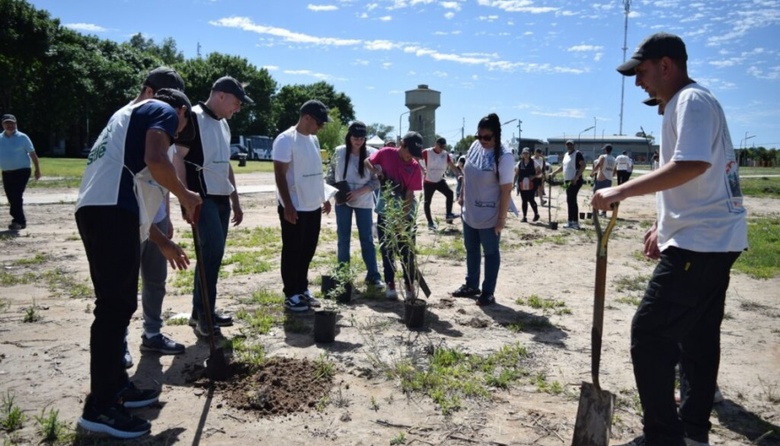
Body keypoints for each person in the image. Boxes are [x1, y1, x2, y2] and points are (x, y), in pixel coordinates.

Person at [595, 32, 748, 446]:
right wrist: (664, 225)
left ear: (666, 66)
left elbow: (693, 164)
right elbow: (701, 177)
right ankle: (694, 432)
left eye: (641, 72)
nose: (638, 82)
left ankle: (663, 436)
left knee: (649, 334)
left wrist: (621, 190)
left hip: (701, 243)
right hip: (715, 237)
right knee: (697, 336)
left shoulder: (690, 101)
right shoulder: (691, 102)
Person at [75, 87, 201, 438]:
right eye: (180, 129)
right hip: (111, 212)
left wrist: (163, 243)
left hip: (99, 210)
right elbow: (157, 160)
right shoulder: (161, 108)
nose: (176, 135)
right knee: (114, 309)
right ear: (181, 111)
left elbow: (138, 204)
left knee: (117, 305)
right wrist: (187, 195)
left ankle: (116, 388)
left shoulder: (125, 116)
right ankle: (99, 408)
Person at [118, 67, 193, 368]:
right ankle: (118, 340)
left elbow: (161, 173)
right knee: (122, 285)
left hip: (155, 214)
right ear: (149, 92)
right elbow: (149, 163)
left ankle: (152, 333)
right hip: (130, 214)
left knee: (155, 279)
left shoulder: (162, 123)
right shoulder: (128, 119)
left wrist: (169, 213)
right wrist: (186, 196)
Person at [176, 76, 250, 336]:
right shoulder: (193, 118)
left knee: (213, 257)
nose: (237, 109)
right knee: (211, 253)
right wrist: (184, 197)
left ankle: (202, 310)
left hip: (221, 199)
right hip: (201, 198)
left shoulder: (224, 125)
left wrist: (235, 199)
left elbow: (225, 164)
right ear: (220, 95)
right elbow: (178, 159)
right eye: (236, 102)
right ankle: (204, 316)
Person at [273, 99, 333, 312]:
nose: (321, 127)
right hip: (295, 206)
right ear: (307, 117)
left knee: (308, 249)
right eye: (319, 122)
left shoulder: (313, 141)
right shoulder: (285, 140)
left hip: (312, 205)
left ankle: (302, 289)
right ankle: (291, 294)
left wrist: (324, 197)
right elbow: (280, 174)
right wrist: (288, 205)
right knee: (292, 250)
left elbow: (316, 173)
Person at [451, 113, 514, 306]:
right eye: (479, 136)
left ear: (497, 135)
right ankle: (471, 284)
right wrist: (462, 195)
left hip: (490, 214)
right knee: (471, 249)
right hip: (469, 210)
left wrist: (501, 219)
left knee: (491, 252)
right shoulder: (474, 147)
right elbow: (466, 174)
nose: (482, 141)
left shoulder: (505, 156)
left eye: (487, 137)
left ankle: (488, 292)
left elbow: (506, 189)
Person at [364, 132, 424, 300]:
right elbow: (367, 161)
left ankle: (408, 283)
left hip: (406, 216)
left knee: (407, 251)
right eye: (409, 152)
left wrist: (402, 219)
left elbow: (410, 195)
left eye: (414, 154)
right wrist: (376, 171)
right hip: (385, 212)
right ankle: (390, 282)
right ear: (402, 144)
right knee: (387, 249)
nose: (410, 156)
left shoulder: (413, 167)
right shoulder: (386, 153)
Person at [325, 121, 383, 290]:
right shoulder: (339, 152)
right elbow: (330, 176)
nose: (358, 141)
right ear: (349, 136)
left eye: (361, 138)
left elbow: (377, 181)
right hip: (342, 201)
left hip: (363, 201)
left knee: (366, 238)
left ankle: (373, 275)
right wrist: (328, 197)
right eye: (355, 137)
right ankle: (343, 274)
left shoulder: (373, 154)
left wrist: (359, 192)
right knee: (343, 238)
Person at [0, 114, 41, 230]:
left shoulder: (23, 137)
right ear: (3, 124)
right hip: (7, 172)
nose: (10, 125)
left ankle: (18, 221)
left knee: (17, 195)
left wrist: (37, 169)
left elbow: (33, 154)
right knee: (11, 197)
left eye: (12, 123)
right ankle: (20, 220)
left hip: (22, 171)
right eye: (7, 123)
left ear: (16, 123)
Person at [421, 137, 459, 230]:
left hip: (439, 180)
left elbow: (452, 166)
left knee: (450, 193)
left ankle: (449, 215)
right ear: (436, 144)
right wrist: (422, 169)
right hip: (429, 181)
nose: (441, 148)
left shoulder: (445, 154)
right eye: (440, 146)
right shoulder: (427, 152)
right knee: (427, 202)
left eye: (443, 147)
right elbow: (415, 159)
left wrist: (458, 175)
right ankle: (430, 222)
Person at [550, 140, 586, 229]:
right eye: (568, 145)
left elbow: (583, 165)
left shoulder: (577, 154)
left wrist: (576, 177)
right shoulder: (566, 155)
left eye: (571, 144)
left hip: (575, 181)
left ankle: (575, 223)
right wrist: (554, 173)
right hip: (567, 181)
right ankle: (571, 222)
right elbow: (563, 167)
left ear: (574, 145)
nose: (569, 146)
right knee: (570, 200)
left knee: (572, 200)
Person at [513, 147, 540, 222]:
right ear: (522, 154)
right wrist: (513, 184)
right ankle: (524, 217)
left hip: (531, 184)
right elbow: (516, 174)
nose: (525, 155)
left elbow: (540, 171)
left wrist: (534, 176)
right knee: (524, 200)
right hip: (522, 184)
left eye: (527, 153)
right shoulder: (519, 163)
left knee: (531, 199)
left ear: (529, 154)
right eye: (524, 153)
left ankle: (536, 214)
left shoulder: (534, 162)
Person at [591, 144, 617, 217]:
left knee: (596, 194)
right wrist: (611, 175)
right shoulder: (613, 159)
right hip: (609, 178)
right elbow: (615, 170)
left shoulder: (602, 157)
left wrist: (592, 173)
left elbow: (598, 165)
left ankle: (596, 211)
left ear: (605, 150)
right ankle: (604, 212)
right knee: (606, 195)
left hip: (601, 177)